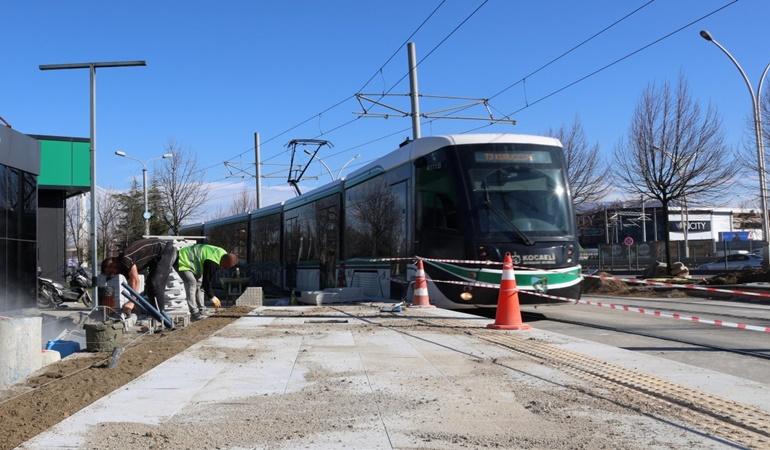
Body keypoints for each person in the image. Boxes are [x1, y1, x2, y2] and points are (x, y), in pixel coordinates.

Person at [101, 238, 178, 315]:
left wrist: (132, 302)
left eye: (111, 271)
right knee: (149, 284)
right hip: (156, 258)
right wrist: (135, 302)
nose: (114, 274)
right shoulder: (123, 269)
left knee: (155, 283)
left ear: (112, 263)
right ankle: (154, 314)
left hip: (166, 250)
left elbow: (136, 280)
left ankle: (160, 316)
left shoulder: (125, 258)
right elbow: (131, 285)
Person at [175, 243, 238, 321]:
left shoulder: (222, 254)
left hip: (194, 264)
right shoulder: (212, 262)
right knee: (192, 283)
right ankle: (194, 313)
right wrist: (213, 297)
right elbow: (206, 282)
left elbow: (204, 284)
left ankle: (202, 310)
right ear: (224, 260)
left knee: (199, 284)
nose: (225, 268)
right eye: (226, 265)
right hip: (182, 259)